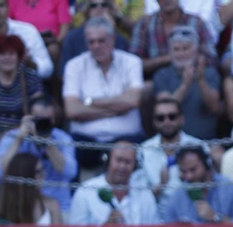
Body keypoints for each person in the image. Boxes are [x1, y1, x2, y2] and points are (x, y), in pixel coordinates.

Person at [63, 16, 144, 147]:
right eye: (91, 42)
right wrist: (117, 109)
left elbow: (133, 100)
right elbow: (72, 110)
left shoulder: (132, 62)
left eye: (101, 41)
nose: (96, 46)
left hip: (127, 140)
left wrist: (90, 102)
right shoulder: (74, 66)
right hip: (85, 141)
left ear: (113, 39)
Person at [0, 97, 76, 213]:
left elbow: (70, 173)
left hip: (59, 207)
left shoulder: (63, 139)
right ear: (29, 118)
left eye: (48, 120)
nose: (42, 123)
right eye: (38, 119)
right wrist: (19, 140)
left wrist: (48, 144)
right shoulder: (12, 137)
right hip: (21, 206)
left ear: (54, 121)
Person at [151, 25, 222, 140]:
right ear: (170, 52)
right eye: (176, 49)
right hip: (172, 142)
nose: (181, 54)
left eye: (185, 48)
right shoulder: (162, 75)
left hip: (205, 142)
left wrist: (200, 80)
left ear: (196, 50)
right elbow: (165, 110)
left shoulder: (210, 73)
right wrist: (185, 85)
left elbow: (214, 108)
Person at [69, 140, 158, 224]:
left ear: (135, 166)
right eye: (118, 160)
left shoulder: (145, 194)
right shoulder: (85, 191)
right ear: (108, 161)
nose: (122, 166)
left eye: (128, 162)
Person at [161, 143, 233, 222]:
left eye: (193, 170)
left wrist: (216, 217)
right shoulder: (177, 196)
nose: (189, 176)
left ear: (207, 164)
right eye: (183, 171)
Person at [131, 0, 215, 80]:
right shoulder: (144, 25)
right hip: (155, 83)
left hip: (193, 80)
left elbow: (211, 59)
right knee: (147, 88)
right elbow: (134, 64)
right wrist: (168, 59)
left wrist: (187, 58)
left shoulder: (197, 23)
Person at [137, 95, 201, 199]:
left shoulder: (198, 146)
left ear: (182, 119)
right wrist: (161, 185)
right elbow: (139, 198)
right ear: (154, 122)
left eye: (172, 116)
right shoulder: (143, 150)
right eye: (160, 118)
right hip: (156, 212)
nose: (166, 122)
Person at [0, 0, 51, 80]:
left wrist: (30, 64)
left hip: (28, 85)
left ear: (8, 8)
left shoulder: (27, 31)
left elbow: (48, 70)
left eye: (1, 5)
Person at [0, 33, 40, 128]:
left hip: (24, 133)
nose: (7, 58)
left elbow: (38, 109)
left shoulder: (29, 76)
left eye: (11, 53)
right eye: (2, 54)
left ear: (18, 56)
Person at [0, 152, 61, 223]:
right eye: (38, 172)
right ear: (25, 175)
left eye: (43, 170)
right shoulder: (2, 207)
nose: (44, 175)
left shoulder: (52, 205)